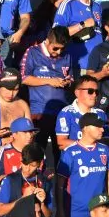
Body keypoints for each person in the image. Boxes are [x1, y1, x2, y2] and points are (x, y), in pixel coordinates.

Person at [19, 25, 73, 153]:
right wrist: (50, 81)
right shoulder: (33, 52)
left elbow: (71, 79)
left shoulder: (67, 56)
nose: (59, 52)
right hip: (39, 112)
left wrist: (67, 82)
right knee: (38, 151)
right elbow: (23, 78)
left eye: (62, 49)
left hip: (61, 113)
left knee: (60, 152)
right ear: (47, 41)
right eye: (56, 48)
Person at [57, 112, 109, 217]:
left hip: (101, 211)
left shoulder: (105, 150)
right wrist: (60, 210)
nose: (102, 129)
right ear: (86, 128)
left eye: (102, 126)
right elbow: (60, 185)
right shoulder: (69, 152)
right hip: (77, 213)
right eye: (98, 126)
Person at [53, 0, 103, 72]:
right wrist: (82, 24)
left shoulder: (97, 6)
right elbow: (56, 34)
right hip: (77, 65)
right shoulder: (68, 4)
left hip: (97, 67)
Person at [0, 141, 53, 217]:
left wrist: (42, 204)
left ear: (40, 164)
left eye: (33, 165)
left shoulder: (45, 182)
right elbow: (0, 211)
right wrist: (22, 198)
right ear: (21, 159)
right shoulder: (9, 180)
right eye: (25, 163)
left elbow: (48, 216)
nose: (27, 168)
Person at [55, 76, 108, 150]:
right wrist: (89, 145)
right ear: (77, 92)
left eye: (97, 92)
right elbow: (61, 142)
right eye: (90, 91)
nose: (95, 95)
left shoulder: (101, 113)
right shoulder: (66, 113)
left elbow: (107, 141)